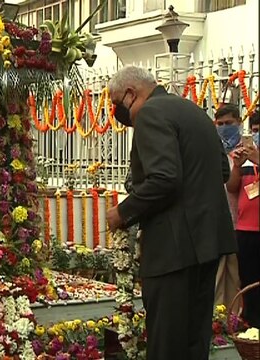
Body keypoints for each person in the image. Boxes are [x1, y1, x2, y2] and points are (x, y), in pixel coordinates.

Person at [105, 66, 237, 360]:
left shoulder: (151, 113)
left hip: (172, 249)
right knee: (194, 340)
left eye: (116, 103)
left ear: (131, 93)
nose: (117, 111)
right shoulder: (193, 111)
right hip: (206, 243)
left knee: (167, 342)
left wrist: (123, 213)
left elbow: (164, 178)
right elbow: (223, 171)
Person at [226, 111, 260, 328]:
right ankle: (252, 328)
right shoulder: (245, 157)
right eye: (255, 131)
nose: (257, 135)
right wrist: (238, 166)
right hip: (245, 230)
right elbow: (231, 187)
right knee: (248, 283)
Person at [213, 103, 241, 312]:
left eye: (228, 123)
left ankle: (237, 317)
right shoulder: (212, 149)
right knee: (218, 279)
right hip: (217, 222)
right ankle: (220, 321)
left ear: (239, 123)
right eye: (220, 124)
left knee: (237, 277)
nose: (224, 128)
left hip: (243, 224)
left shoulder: (248, 150)